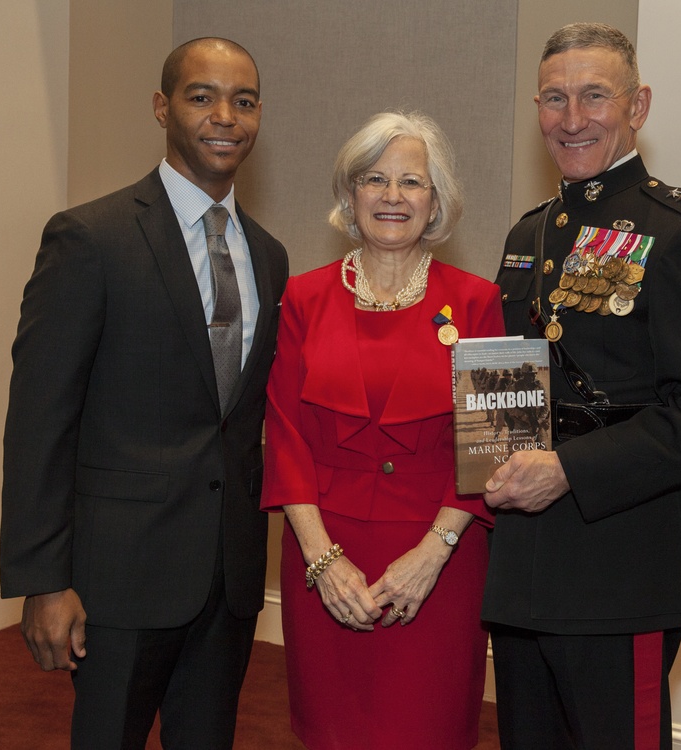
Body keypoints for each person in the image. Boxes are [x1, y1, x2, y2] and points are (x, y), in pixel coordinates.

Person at [0, 37, 288, 749]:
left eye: (243, 101)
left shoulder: (271, 256)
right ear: (162, 107)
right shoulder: (90, 239)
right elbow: (40, 419)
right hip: (117, 579)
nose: (225, 116)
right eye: (202, 96)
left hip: (229, 578)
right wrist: (42, 578)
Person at [483, 22, 681, 750]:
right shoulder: (528, 236)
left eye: (595, 96)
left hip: (621, 565)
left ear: (637, 105)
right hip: (523, 563)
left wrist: (568, 469)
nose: (573, 119)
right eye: (555, 98)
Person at [261, 111, 504, 750]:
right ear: (350, 194)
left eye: (412, 182)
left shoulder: (480, 300)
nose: (393, 196)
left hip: (440, 559)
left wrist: (432, 553)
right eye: (375, 179)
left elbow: (494, 447)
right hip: (325, 557)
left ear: (436, 203)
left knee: (427, 727)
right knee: (332, 730)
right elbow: (285, 435)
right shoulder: (303, 298)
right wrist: (322, 560)